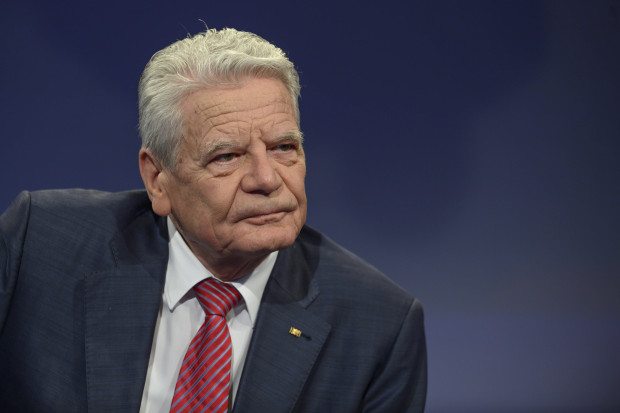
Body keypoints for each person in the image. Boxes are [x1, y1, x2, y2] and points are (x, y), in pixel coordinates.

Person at [0, 28, 427, 412]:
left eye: (283, 147)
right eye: (227, 156)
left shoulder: (379, 325)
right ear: (157, 179)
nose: (266, 179)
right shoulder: (39, 244)